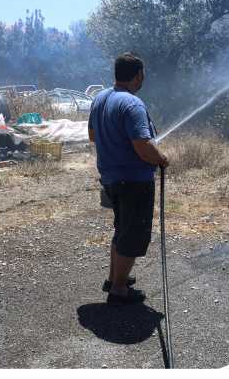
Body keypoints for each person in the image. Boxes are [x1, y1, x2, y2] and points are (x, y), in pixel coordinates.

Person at [88, 53, 169, 305]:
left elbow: (92, 135)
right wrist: (161, 159)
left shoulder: (100, 98)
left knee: (122, 230)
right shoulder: (132, 104)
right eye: (142, 74)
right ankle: (119, 289)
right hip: (133, 182)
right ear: (138, 75)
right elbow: (143, 145)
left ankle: (114, 278)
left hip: (111, 178)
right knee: (132, 234)